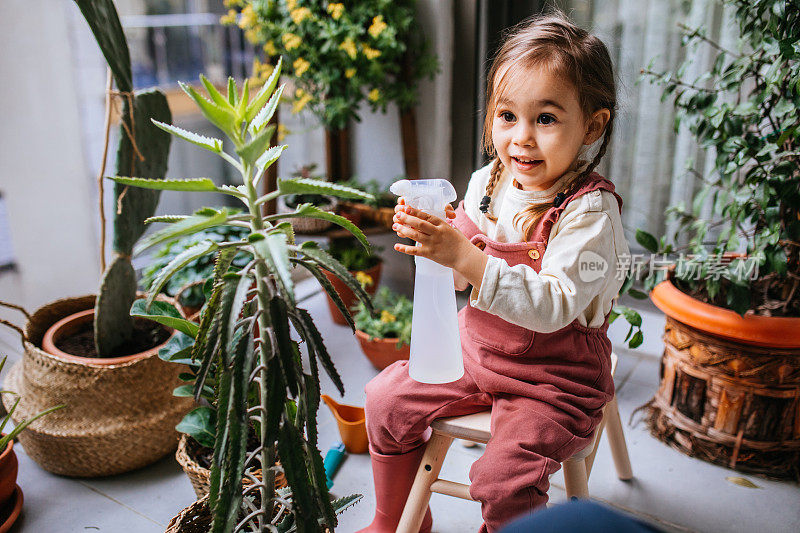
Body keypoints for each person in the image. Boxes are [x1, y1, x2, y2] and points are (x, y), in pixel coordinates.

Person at [358, 11, 630, 533]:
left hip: (556, 375)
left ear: (592, 125)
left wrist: (464, 256)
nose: (521, 138)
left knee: (505, 477)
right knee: (386, 401)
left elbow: (552, 305)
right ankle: (397, 521)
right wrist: (432, 239)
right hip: (478, 348)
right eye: (507, 115)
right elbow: (459, 277)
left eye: (546, 119)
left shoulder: (589, 213)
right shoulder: (491, 181)